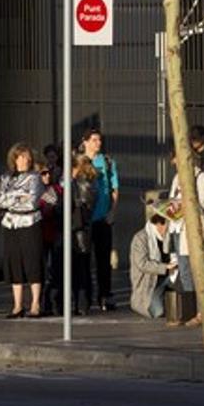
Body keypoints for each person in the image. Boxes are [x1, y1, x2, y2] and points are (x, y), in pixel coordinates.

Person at [0, 142, 45, 318]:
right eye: (20, 156)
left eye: (26, 157)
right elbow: (0, 198)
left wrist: (13, 197)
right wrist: (18, 196)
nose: (24, 160)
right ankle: (17, 305)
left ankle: (35, 304)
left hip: (30, 222)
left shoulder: (35, 177)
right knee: (14, 263)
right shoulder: (7, 178)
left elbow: (32, 200)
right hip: (11, 223)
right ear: (14, 159)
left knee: (32, 261)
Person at [166, 154, 204, 327]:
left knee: (198, 271)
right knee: (184, 272)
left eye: (176, 159)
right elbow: (173, 200)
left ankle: (202, 312)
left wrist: (186, 203)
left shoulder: (201, 177)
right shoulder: (176, 178)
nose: (174, 163)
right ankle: (188, 311)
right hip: (177, 227)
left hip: (193, 230)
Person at [81, 128, 119, 311]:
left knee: (104, 260)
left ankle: (105, 295)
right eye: (94, 140)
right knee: (84, 259)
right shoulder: (79, 161)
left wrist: (112, 211)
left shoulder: (107, 161)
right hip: (85, 218)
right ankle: (85, 296)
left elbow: (114, 188)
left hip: (103, 217)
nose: (98, 143)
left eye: (99, 140)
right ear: (85, 142)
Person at [130, 191, 176, 319]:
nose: (168, 229)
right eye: (166, 224)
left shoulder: (170, 237)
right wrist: (165, 267)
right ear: (159, 224)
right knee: (158, 312)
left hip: (168, 279)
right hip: (150, 284)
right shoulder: (141, 238)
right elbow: (142, 264)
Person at [69, 155, 98, 316]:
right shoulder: (89, 182)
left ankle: (81, 302)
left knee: (80, 266)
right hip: (82, 227)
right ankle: (82, 302)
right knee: (82, 266)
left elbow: (81, 204)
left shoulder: (83, 183)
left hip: (79, 228)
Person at [37, 162, 62, 315]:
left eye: (49, 173)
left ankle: (54, 303)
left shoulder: (58, 190)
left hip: (55, 234)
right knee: (42, 271)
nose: (47, 176)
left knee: (55, 271)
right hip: (40, 235)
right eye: (43, 173)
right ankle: (41, 302)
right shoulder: (36, 191)